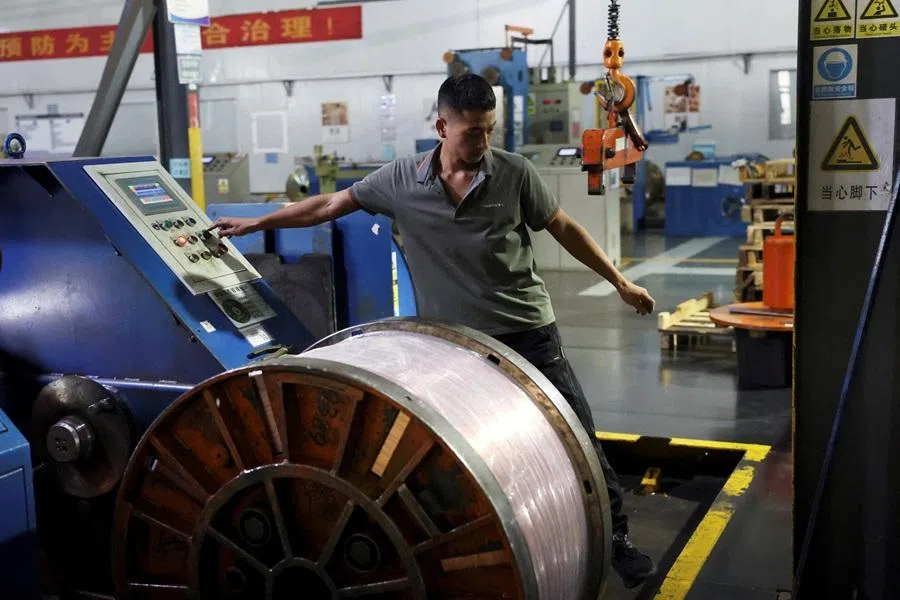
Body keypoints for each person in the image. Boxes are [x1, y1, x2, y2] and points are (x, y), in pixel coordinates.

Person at [212, 73, 658, 589]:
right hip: (455, 348)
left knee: (577, 442)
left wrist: (619, 281)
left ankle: (617, 541)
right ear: (442, 126)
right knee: (468, 451)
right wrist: (256, 224)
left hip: (527, 334)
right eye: (472, 133)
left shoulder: (514, 174)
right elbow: (328, 206)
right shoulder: (400, 181)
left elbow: (564, 228)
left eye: (490, 131)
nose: (483, 143)